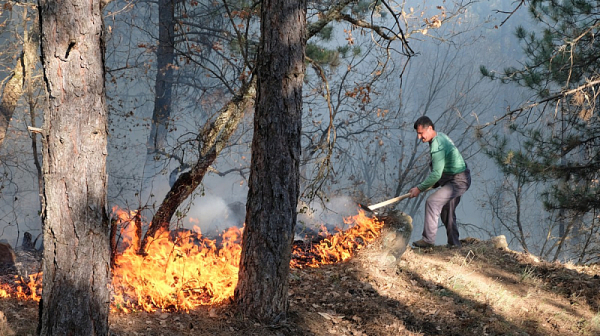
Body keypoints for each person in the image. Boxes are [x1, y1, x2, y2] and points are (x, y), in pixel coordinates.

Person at [408, 116, 471, 248]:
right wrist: (431, 184)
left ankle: (428, 240)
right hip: (452, 177)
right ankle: (454, 244)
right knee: (447, 210)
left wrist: (419, 188)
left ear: (430, 128)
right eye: (418, 134)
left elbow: (436, 173)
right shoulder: (439, 136)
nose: (419, 137)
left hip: (458, 180)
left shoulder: (438, 144)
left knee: (432, 202)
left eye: (421, 133)